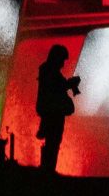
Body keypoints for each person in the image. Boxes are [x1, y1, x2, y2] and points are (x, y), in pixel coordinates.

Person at [35, 44, 81, 173]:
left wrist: (67, 84)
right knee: (53, 141)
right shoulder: (48, 71)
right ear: (57, 58)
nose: (63, 64)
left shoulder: (48, 70)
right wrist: (69, 84)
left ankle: (47, 168)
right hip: (52, 112)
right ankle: (48, 169)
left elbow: (57, 86)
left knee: (53, 141)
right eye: (62, 60)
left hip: (53, 111)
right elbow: (54, 88)